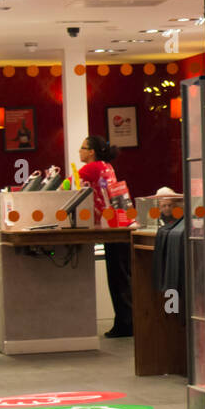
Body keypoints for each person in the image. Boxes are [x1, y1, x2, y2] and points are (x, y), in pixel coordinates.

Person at [78, 134, 133, 338]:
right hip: (119, 223)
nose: (80, 152)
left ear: (91, 151)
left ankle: (125, 324)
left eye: (83, 148)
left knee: (116, 277)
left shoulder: (91, 168)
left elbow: (68, 185)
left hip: (110, 226)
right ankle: (126, 321)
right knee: (123, 276)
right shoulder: (107, 166)